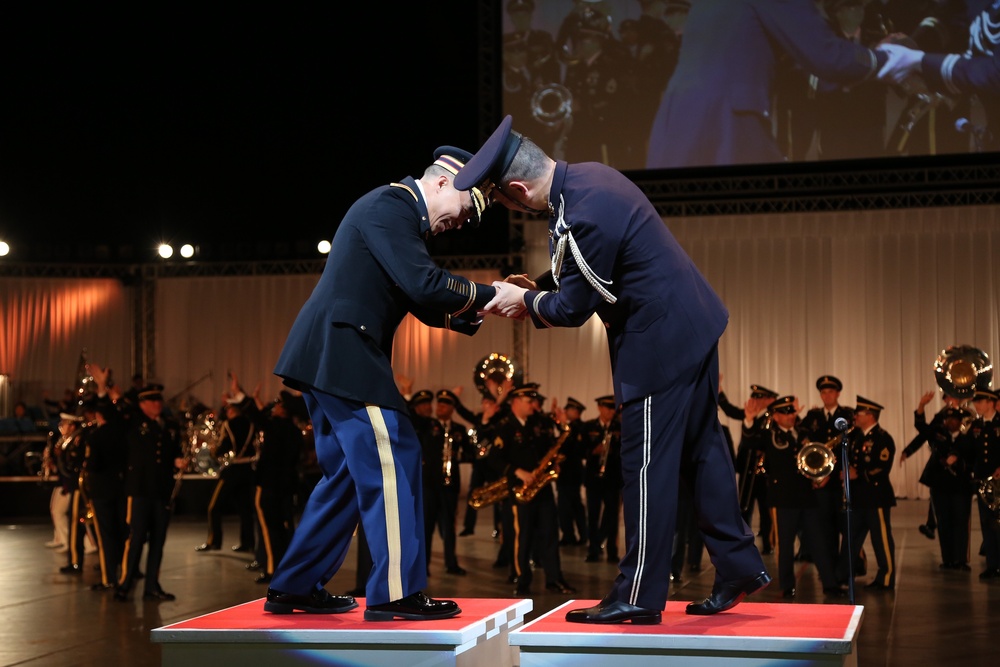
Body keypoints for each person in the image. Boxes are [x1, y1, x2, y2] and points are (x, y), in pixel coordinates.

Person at [455, 115, 769, 624]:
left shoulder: (581, 213)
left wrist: (526, 301)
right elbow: (579, 262)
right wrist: (532, 286)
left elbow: (572, 308)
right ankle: (737, 566)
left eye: (505, 200)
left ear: (516, 189)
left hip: (658, 350)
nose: (510, 207)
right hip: (694, 326)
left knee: (643, 468)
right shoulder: (589, 178)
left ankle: (639, 596)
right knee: (702, 449)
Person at [263, 146, 497, 620]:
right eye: (465, 210)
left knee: (348, 476)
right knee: (397, 454)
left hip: (328, 354)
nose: (461, 223)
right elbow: (424, 285)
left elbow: (419, 297)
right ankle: (395, 593)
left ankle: (295, 584)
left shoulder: (393, 213)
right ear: (441, 183)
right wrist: (495, 293)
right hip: (346, 354)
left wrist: (487, 304)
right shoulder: (391, 205)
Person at [644, 0, 893, 168]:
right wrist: (890, 58)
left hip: (674, 121)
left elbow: (754, 52)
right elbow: (827, 56)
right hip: (727, 121)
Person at [745, 395, 844, 598]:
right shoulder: (769, 435)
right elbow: (749, 442)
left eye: (792, 412)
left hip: (807, 497)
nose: (790, 416)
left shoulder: (804, 433)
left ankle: (830, 584)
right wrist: (748, 420)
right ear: (776, 416)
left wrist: (823, 475)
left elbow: (818, 455)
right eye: (785, 413)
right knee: (786, 544)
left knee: (818, 541)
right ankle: (787, 585)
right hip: (784, 499)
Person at [485, 384, 575, 596]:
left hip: (541, 489)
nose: (533, 405)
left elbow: (553, 447)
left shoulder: (538, 423)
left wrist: (562, 428)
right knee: (522, 537)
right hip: (519, 491)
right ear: (515, 401)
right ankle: (522, 579)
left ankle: (554, 579)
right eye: (529, 401)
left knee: (550, 533)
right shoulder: (504, 426)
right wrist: (518, 471)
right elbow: (493, 459)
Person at [905, 396, 973, 571]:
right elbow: (921, 428)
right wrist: (921, 406)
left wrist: (958, 459)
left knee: (960, 523)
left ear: (960, 422)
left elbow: (973, 458)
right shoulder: (937, 434)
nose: (951, 422)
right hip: (940, 487)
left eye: (954, 419)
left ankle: (961, 560)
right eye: (948, 419)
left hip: (961, 487)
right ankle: (948, 559)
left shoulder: (968, 438)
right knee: (943, 523)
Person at [838, 395, 897, 591]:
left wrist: (858, 474)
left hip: (875, 497)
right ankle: (844, 575)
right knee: (850, 539)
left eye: (859, 413)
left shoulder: (883, 438)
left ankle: (886, 577)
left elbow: (882, 467)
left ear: (870, 415)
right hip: (857, 498)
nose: (855, 416)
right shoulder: (856, 437)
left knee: (880, 540)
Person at [196, 397, 258, 553]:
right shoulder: (252, 424)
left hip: (233, 470)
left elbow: (224, 446)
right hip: (248, 470)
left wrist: (214, 452)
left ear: (231, 410)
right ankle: (248, 542)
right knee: (245, 509)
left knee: (214, 507)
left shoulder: (228, 425)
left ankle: (214, 541)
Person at [963, 388, 1000, 580]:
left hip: (998, 482)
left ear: (991, 403)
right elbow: (968, 451)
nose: (976, 405)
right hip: (982, 482)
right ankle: (992, 565)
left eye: (980, 401)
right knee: (987, 524)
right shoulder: (975, 425)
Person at [582, 395, 622, 563]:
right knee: (592, 515)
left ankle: (612, 552)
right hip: (594, 479)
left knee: (612, 517)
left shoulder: (619, 427)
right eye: (607, 408)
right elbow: (580, 449)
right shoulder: (589, 426)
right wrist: (593, 451)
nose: (610, 411)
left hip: (613, 479)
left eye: (613, 408)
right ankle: (593, 550)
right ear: (599, 408)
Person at [556, 396, 588, 547]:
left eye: (568, 409)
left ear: (576, 411)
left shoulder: (579, 427)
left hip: (571, 472)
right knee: (572, 505)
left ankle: (571, 535)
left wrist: (564, 424)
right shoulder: (570, 426)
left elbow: (569, 448)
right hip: (567, 473)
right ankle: (578, 534)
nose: (565, 412)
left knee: (567, 506)